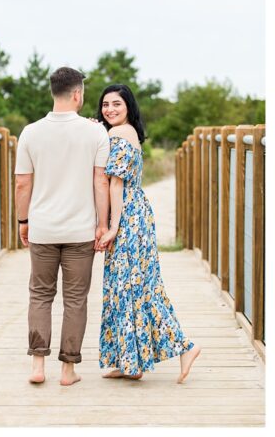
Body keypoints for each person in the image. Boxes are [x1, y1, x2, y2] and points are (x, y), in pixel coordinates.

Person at [95, 84, 201, 383]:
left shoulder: (118, 134)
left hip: (128, 217)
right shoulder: (124, 132)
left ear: (129, 106)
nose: (110, 109)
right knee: (133, 286)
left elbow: (115, 184)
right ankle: (131, 361)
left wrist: (113, 226)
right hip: (138, 213)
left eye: (116, 104)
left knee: (131, 287)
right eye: (105, 105)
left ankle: (185, 346)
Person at [14, 67, 110, 386]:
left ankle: (37, 366)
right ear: (77, 94)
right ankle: (68, 371)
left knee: (40, 295)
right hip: (81, 231)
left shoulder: (30, 132)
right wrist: (103, 223)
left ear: (53, 93)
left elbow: (22, 185)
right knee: (75, 299)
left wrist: (23, 221)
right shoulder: (96, 133)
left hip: (42, 228)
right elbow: (100, 181)